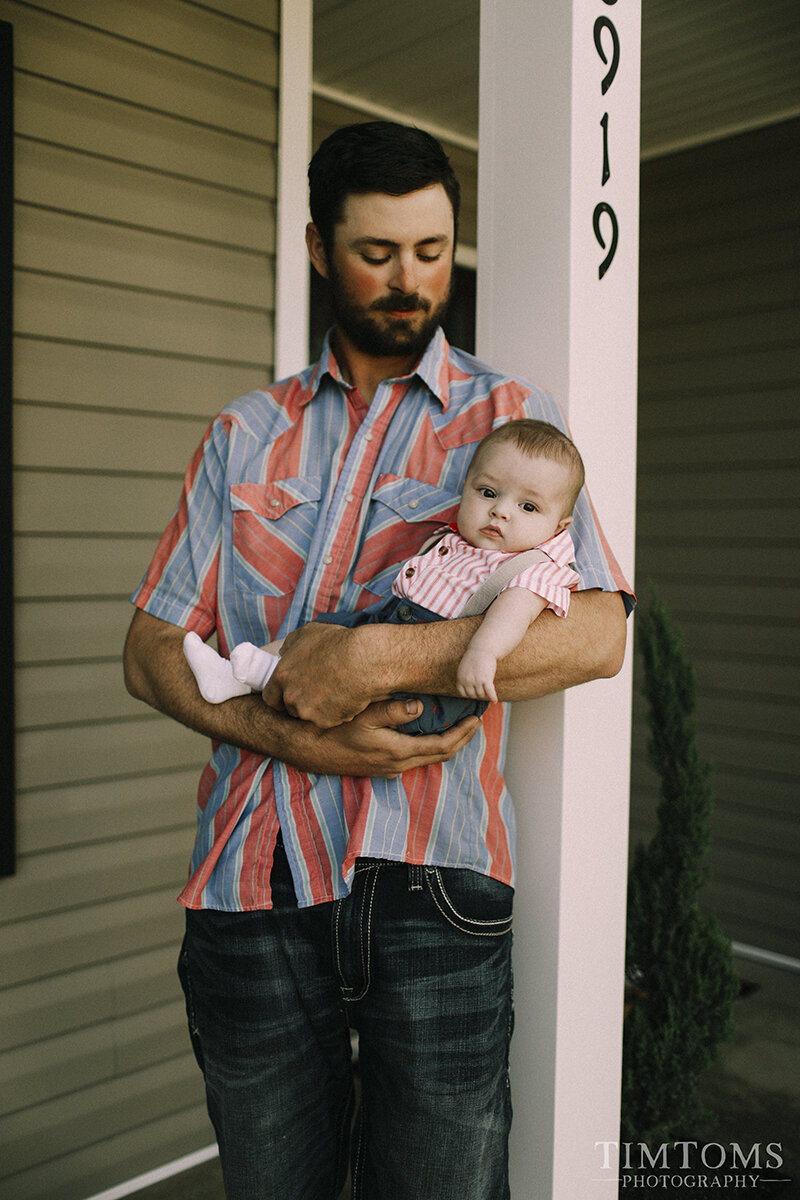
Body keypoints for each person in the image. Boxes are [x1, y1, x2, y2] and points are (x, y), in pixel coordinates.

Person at [123, 120, 633, 1200]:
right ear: (318, 247)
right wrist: (280, 728)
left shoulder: (511, 426)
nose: (411, 281)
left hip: (432, 892)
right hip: (248, 887)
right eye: (377, 253)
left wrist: (372, 658)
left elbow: (594, 631)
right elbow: (151, 648)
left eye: (433, 251)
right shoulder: (244, 433)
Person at [183, 418, 584, 734]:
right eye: (488, 492)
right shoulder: (460, 543)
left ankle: (263, 681)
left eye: (528, 507)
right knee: (318, 635)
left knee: (343, 674)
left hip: (425, 687)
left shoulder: (534, 568)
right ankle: (235, 673)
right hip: (392, 618)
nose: (501, 511)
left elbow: (513, 611)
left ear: (559, 526)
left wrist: (483, 653)